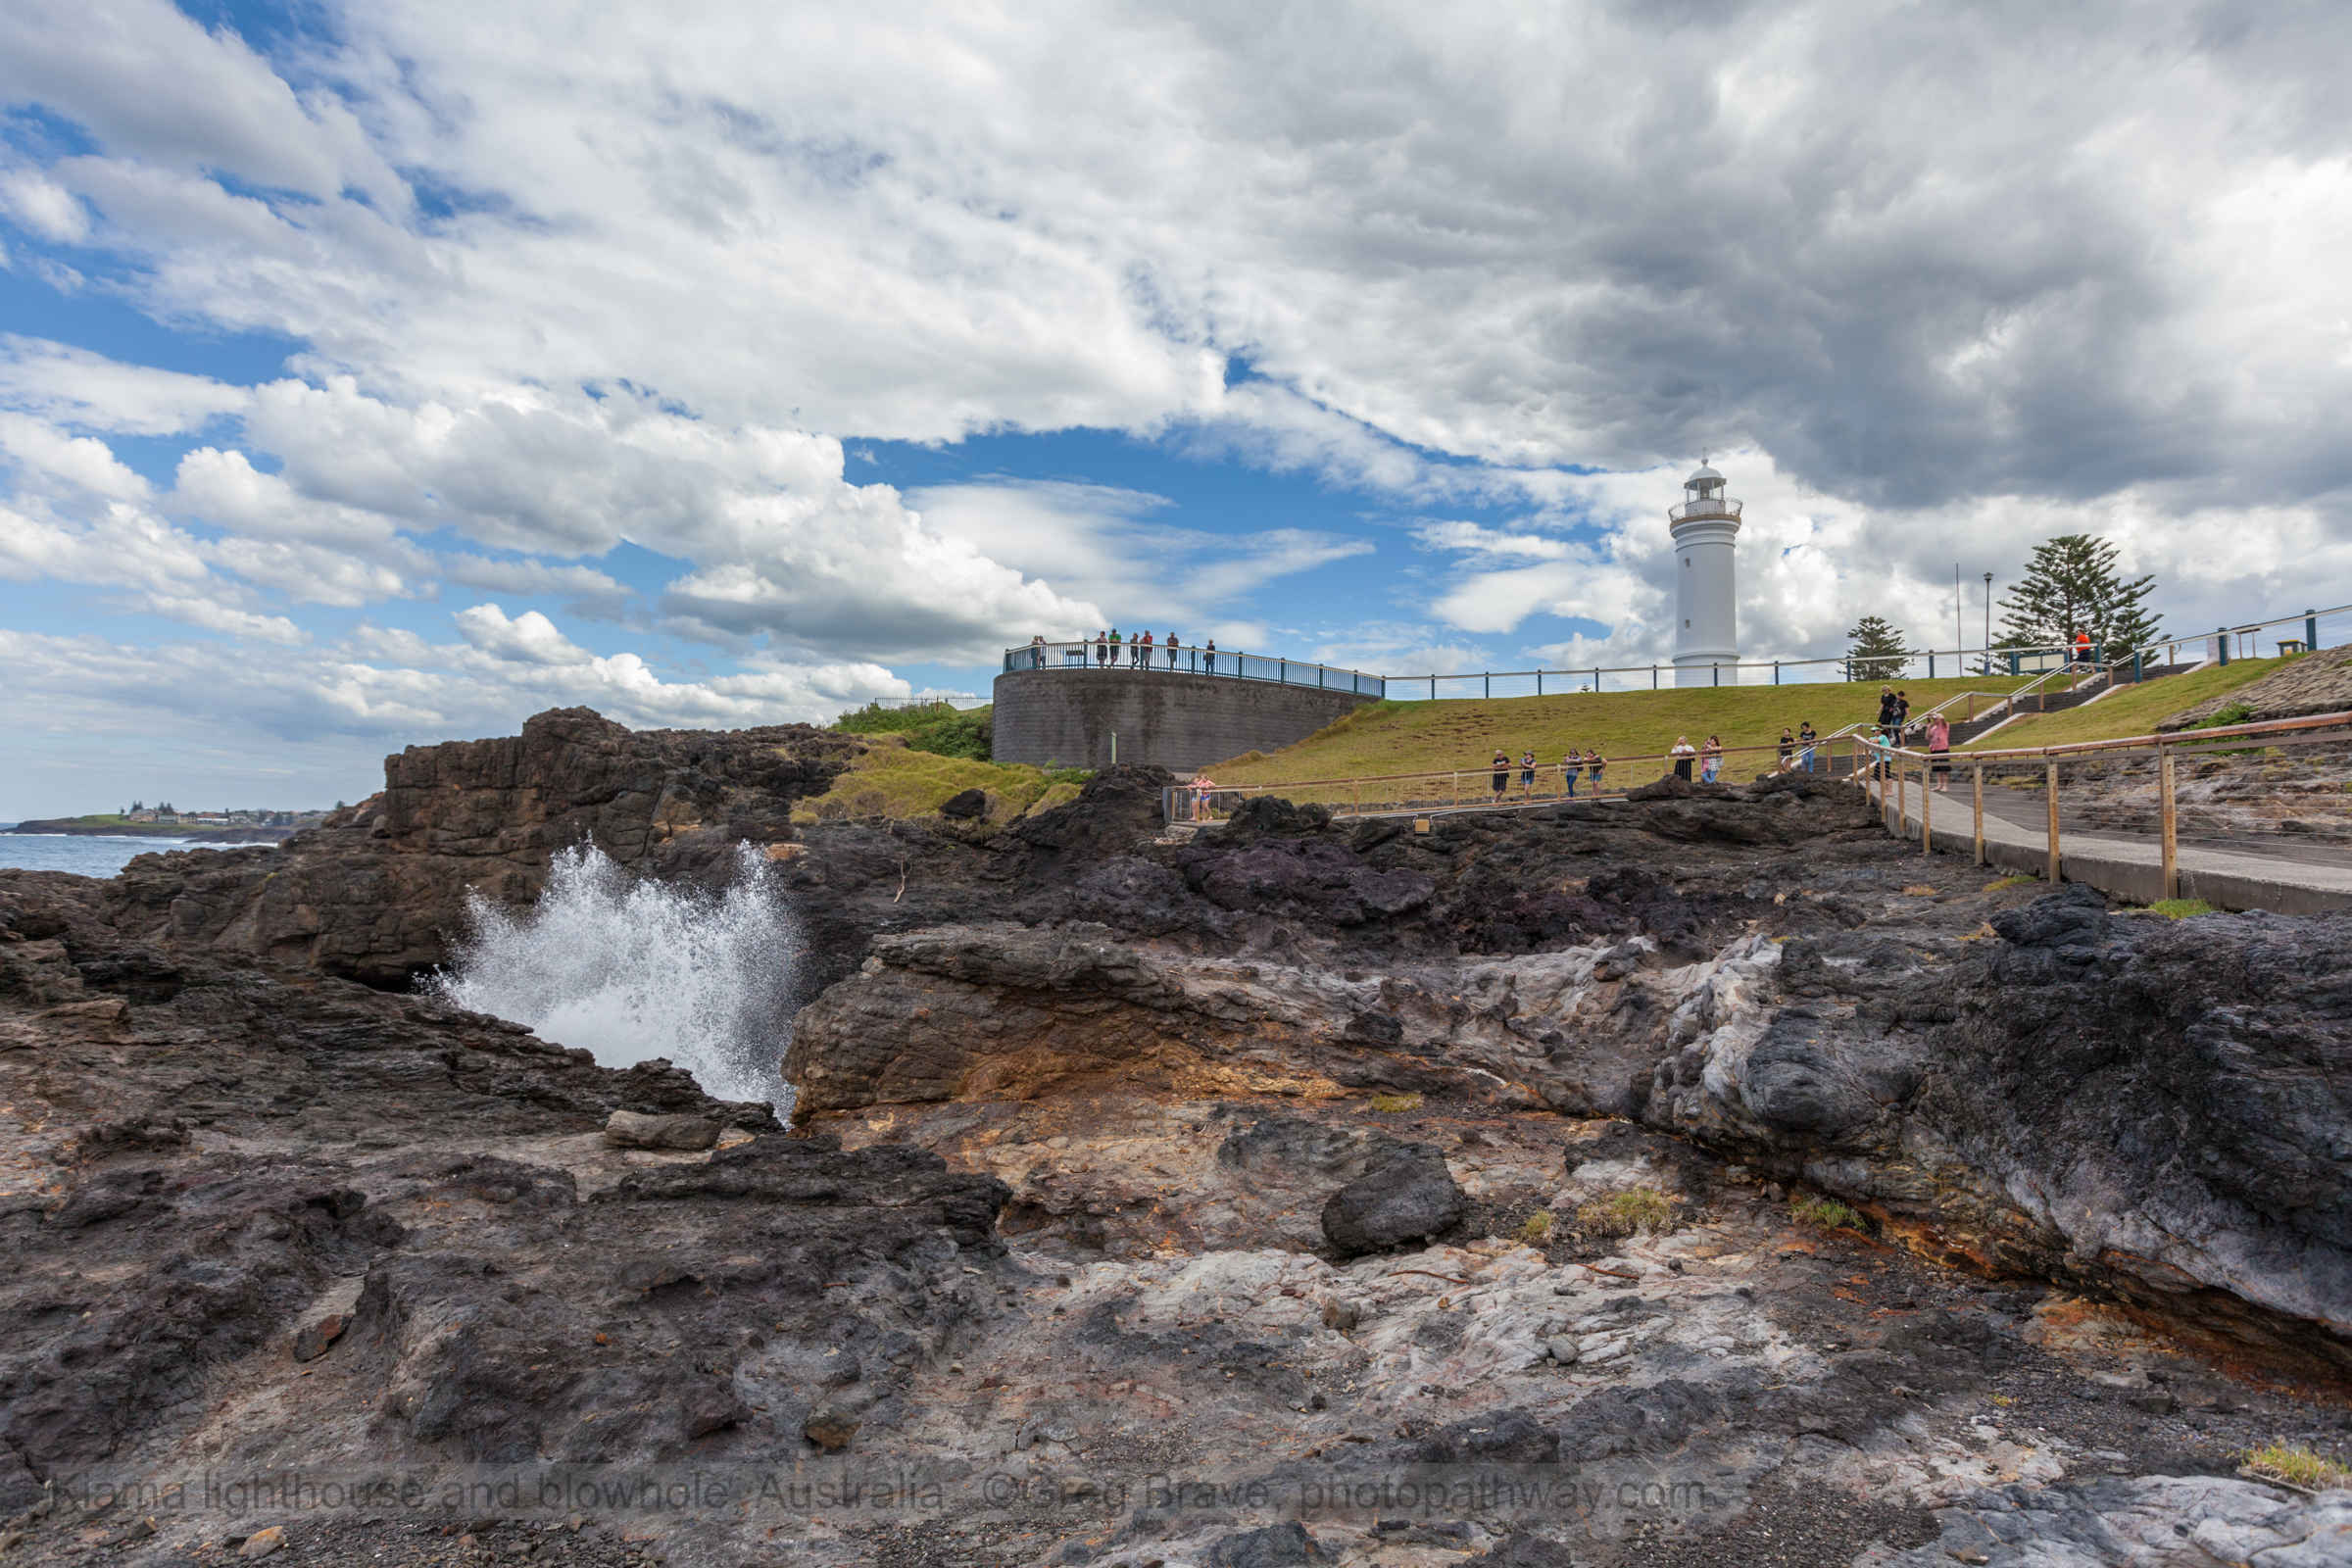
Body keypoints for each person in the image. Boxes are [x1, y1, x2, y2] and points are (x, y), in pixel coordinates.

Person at [1927, 711, 1953, 792]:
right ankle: (1939, 784)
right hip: (1934, 749)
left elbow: (1943, 720)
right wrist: (1928, 727)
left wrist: (1936, 715)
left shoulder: (1945, 725)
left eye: (1936, 719)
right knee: (1937, 768)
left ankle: (1945, 785)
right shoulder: (1933, 727)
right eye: (1934, 719)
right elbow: (1928, 737)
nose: (1935, 720)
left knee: (1944, 768)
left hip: (1943, 748)